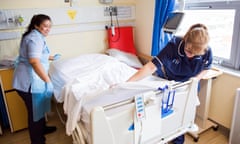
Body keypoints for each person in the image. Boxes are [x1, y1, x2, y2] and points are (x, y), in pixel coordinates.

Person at [127, 23, 213, 144]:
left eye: (195, 54)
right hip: (168, 81)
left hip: (189, 83)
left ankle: (178, 140)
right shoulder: (173, 45)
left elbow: (207, 68)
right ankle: (161, 137)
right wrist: (127, 83)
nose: (191, 55)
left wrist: (196, 79)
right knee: (165, 114)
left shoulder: (206, 50)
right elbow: (151, 67)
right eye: (188, 50)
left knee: (182, 115)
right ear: (185, 40)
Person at [13, 14, 60, 144]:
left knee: (38, 109)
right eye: (45, 26)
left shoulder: (34, 36)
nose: (48, 29)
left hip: (29, 80)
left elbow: (36, 55)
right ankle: (37, 140)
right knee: (34, 114)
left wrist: (50, 57)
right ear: (36, 26)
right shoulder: (35, 38)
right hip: (28, 83)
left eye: (49, 26)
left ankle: (42, 129)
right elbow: (34, 61)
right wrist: (47, 80)